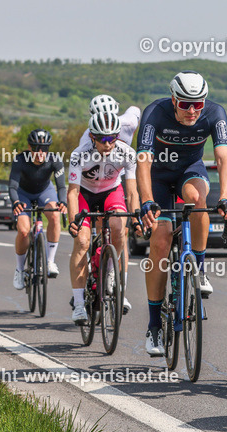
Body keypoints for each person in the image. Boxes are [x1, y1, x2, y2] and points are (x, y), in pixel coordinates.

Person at [136, 71, 227, 356]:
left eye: (198, 104)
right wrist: (146, 201)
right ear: (173, 100)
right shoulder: (154, 113)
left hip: (189, 172)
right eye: (184, 105)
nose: (192, 111)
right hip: (157, 177)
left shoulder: (215, 113)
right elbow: (142, 161)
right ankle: (154, 326)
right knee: (161, 240)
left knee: (198, 200)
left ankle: (199, 269)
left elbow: (223, 158)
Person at [66, 110, 139, 323]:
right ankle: (79, 304)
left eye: (112, 138)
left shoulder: (126, 152)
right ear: (92, 137)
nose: (108, 144)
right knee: (81, 242)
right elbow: (72, 192)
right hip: (85, 195)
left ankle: (110, 273)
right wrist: (73, 220)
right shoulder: (80, 154)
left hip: (111, 192)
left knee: (119, 229)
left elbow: (132, 191)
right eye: (102, 139)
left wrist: (135, 219)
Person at [10, 129, 67, 288]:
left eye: (45, 148)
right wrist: (15, 202)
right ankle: (20, 269)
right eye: (36, 148)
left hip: (44, 192)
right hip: (23, 194)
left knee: (55, 216)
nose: (40, 152)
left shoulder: (55, 160)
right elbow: (13, 187)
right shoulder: (20, 160)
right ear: (29, 147)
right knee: (23, 231)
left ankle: (50, 261)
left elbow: (61, 186)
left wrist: (62, 202)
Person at [77, 94, 141, 147]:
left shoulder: (129, 124)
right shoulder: (86, 139)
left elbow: (135, 110)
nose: (106, 124)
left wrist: (131, 132)